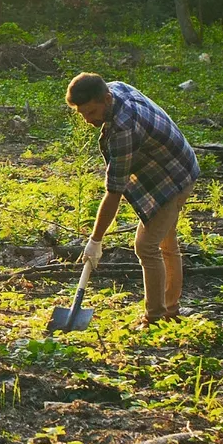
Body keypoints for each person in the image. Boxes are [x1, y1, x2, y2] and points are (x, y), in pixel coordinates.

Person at [66, 72, 199, 325]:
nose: (88, 121)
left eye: (92, 113)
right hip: (169, 163)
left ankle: (156, 317)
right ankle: (169, 310)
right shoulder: (114, 89)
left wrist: (95, 240)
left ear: (105, 99)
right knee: (166, 243)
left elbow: (114, 191)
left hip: (175, 176)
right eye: (82, 114)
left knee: (147, 246)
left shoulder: (123, 129)